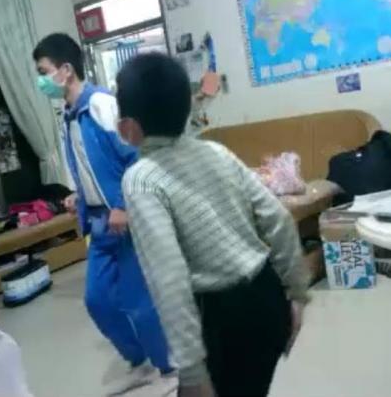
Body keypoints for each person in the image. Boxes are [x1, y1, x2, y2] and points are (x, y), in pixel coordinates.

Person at [116, 53, 311, 397]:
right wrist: (296, 296)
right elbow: (279, 219)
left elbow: (169, 277)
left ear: (128, 127)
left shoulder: (141, 179)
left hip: (220, 320)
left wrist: (192, 371)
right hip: (267, 299)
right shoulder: (216, 152)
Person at [32, 34, 173, 394]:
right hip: (98, 222)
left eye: (44, 71)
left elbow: (138, 155)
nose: (40, 80)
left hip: (128, 220)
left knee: (139, 303)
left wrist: (124, 206)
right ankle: (140, 361)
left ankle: (169, 367)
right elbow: (93, 166)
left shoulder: (101, 105)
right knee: (98, 301)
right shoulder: (68, 115)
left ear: (66, 70)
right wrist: (79, 196)